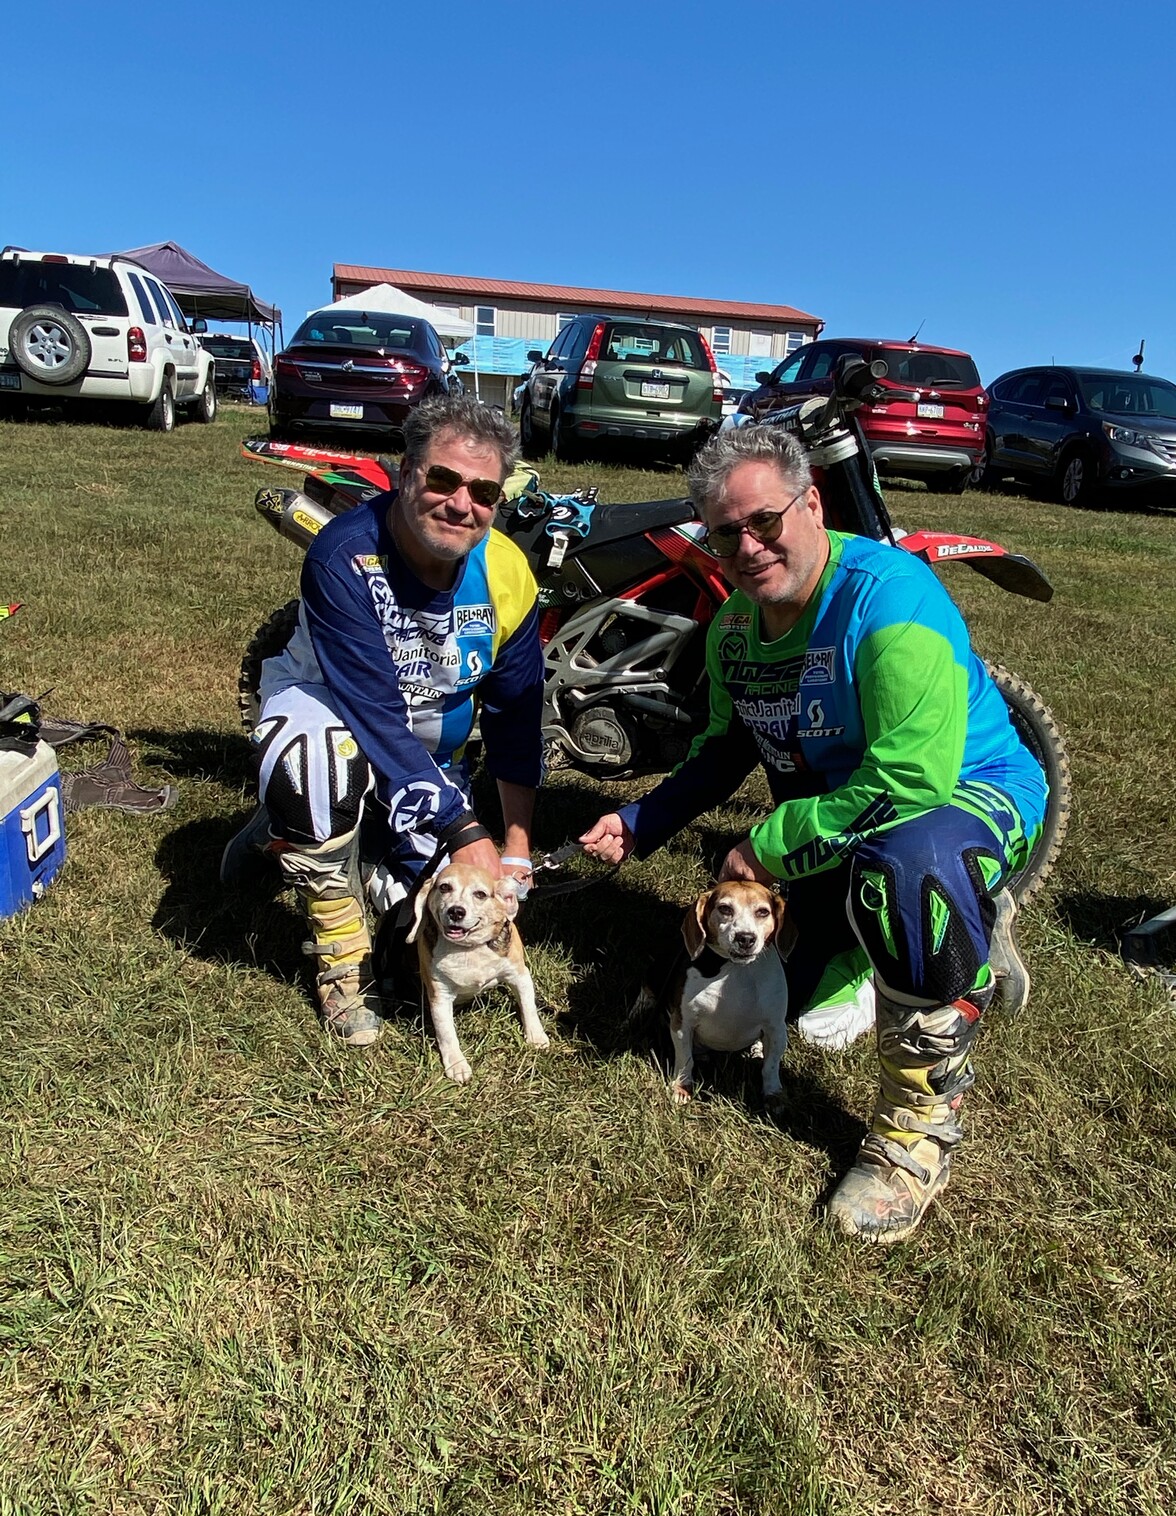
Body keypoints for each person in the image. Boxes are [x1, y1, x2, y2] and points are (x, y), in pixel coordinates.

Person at [580, 425, 1047, 1244]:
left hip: (966, 795)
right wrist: (641, 820)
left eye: (766, 520)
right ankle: (941, 938)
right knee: (779, 991)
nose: (750, 546)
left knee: (908, 872)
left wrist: (770, 843)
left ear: (813, 503)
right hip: (842, 813)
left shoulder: (889, 595)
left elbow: (910, 781)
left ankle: (914, 1134)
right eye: (727, 533)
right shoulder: (733, 630)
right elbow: (723, 748)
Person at [222, 395, 544, 1047]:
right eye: (443, 479)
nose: (461, 504)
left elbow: (516, 719)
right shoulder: (344, 553)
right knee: (316, 765)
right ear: (406, 473)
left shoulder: (508, 572)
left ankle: (326, 839)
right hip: (334, 714)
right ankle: (337, 945)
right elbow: (371, 707)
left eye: (482, 491)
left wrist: (512, 849)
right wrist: (460, 825)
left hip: (434, 765)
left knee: (417, 946)